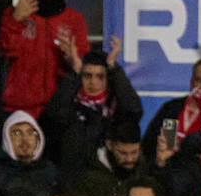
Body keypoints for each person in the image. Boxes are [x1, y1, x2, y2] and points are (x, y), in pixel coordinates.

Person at [0, 0, 86, 118]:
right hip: (21, 109)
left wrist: (73, 60)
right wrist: (15, 20)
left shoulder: (74, 19)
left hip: (60, 109)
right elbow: (5, 52)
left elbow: (82, 66)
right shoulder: (14, 14)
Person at [40, 40, 142, 176]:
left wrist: (113, 67)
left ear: (108, 79)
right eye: (87, 76)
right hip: (75, 179)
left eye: (100, 76)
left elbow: (134, 110)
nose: (93, 82)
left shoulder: (115, 108)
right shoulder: (70, 105)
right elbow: (55, 113)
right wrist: (75, 71)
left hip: (110, 179)